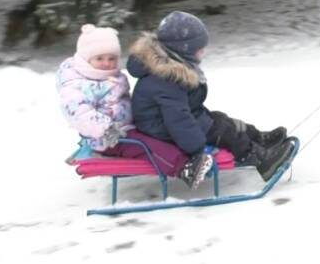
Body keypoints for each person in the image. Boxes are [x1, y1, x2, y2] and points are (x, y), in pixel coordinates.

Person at [127, 11, 296, 181]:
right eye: (199, 48)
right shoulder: (167, 78)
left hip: (175, 120)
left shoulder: (172, 66)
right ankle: (261, 159)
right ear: (183, 48)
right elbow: (178, 120)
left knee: (221, 119)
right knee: (222, 131)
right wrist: (197, 147)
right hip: (161, 129)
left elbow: (185, 109)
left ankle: (259, 139)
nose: (203, 52)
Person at [57, 24, 213, 188]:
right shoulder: (76, 84)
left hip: (127, 128)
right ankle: (184, 169)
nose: (106, 64)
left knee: (159, 137)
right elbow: (78, 113)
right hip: (109, 138)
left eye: (111, 59)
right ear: (86, 59)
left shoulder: (111, 77)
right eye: (99, 59)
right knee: (147, 147)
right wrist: (106, 127)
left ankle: (188, 154)